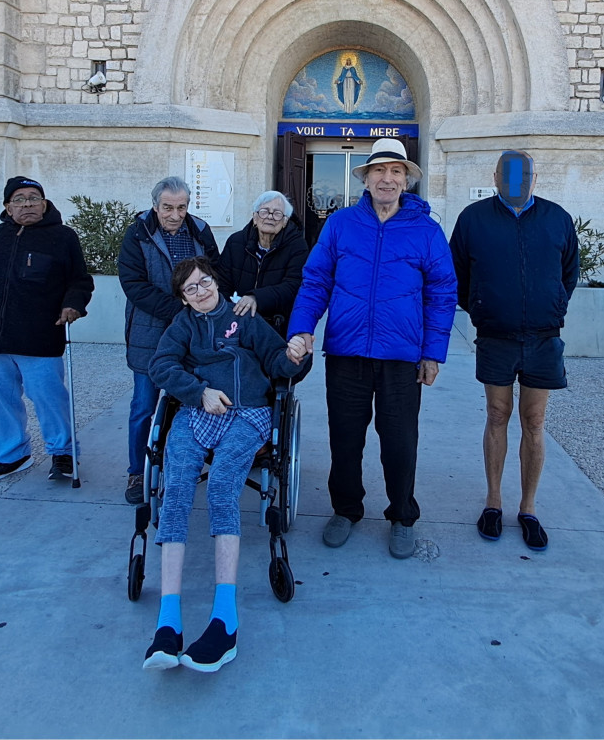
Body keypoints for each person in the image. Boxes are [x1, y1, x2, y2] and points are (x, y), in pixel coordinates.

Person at [288, 138, 457, 559]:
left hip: (402, 357)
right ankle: (346, 509)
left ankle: (402, 516)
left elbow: (442, 292)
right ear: (366, 179)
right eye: (379, 170)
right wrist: (302, 329)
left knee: (399, 441)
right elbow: (315, 281)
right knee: (345, 439)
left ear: (406, 180)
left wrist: (433, 353)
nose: (387, 178)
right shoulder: (341, 224)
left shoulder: (427, 230)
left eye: (396, 171)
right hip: (347, 351)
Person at [142, 256, 308, 673]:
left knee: (220, 487)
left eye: (205, 282)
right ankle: (168, 622)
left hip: (248, 413)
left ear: (216, 281)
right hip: (199, 411)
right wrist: (198, 392)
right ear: (182, 297)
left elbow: (277, 361)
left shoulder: (243, 317)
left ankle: (224, 620)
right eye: (191, 289)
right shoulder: (182, 326)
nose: (201, 292)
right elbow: (160, 366)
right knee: (176, 489)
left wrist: (294, 355)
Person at [449, 150, 579, 551]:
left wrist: (553, 306)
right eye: (509, 177)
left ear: (535, 180)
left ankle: (528, 507)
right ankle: (493, 502)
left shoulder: (557, 219)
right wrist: (484, 310)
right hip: (496, 337)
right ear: (495, 178)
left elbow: (569, 273)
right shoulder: (473, 219)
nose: (517, 184)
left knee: (535, 421)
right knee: (497, 414)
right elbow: (458, 276)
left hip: (543, 337)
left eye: (524, 177)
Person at [0, 176, 94, 482]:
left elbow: (80, 281)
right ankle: (10, 455)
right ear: (7, 207)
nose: (27, 203)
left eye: (33, 198)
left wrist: (73, 304)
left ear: (44, 204)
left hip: (40, 334)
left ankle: (64, 453)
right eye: (19, 199)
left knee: (49, 396)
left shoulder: (63, 237)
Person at [118, 176, 220, 505]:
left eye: (181, 207)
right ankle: (137, 471)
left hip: (194, 334)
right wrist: (180, 308)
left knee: (190, 402)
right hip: (150, 332)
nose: (175, 214)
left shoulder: (200, 231)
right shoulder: (138, 233)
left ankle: (181, 466)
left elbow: (214, 275)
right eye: (168, 207)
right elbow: (133, 283)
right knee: (143, 406)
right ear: (155, 205)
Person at [217, 190, 309, 339]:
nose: (270, 217)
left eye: (277, 213)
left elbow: (293, 286)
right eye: (264, 211)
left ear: (285, 221)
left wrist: (256, 298)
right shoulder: (236, 242)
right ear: (255, 217)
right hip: (238, 323)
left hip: (279, 327)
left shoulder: (297, 246)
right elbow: (222, 283)